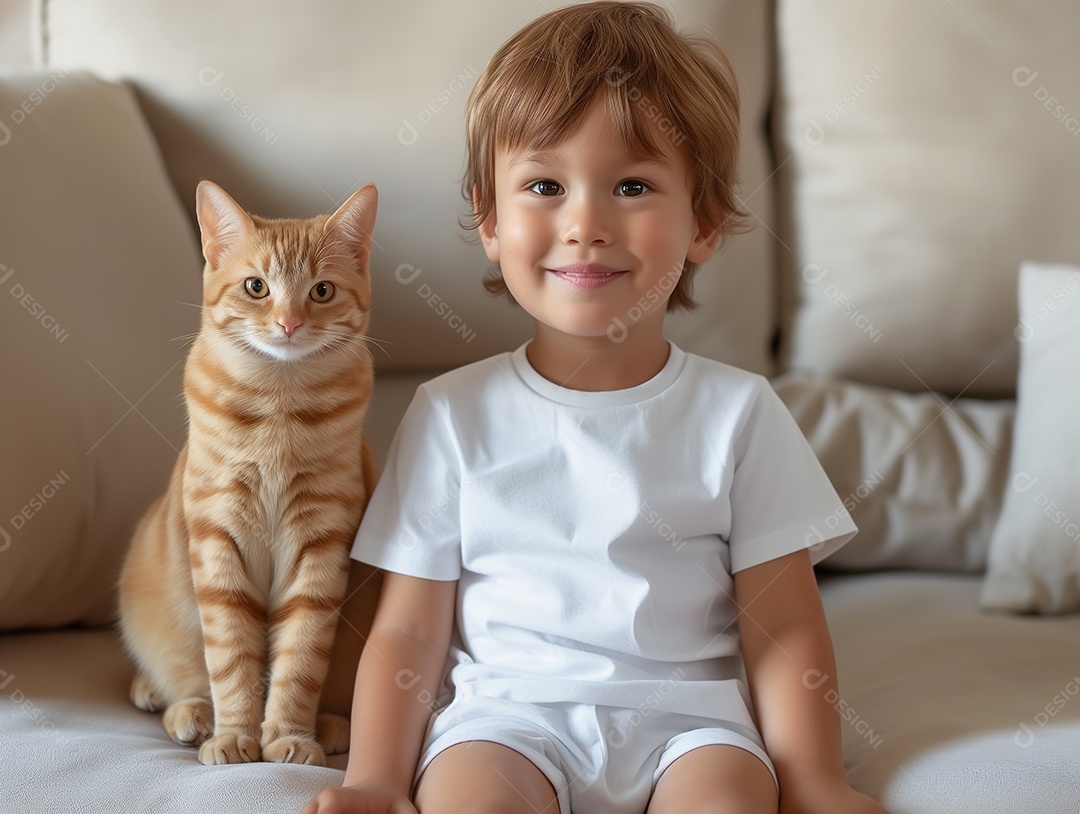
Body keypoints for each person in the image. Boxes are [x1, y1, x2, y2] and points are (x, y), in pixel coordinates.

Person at [305, 3, 889, 812]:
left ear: (704, 223)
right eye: (545, 185)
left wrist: (816, 780)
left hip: (694, 729)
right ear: (489, 219)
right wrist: (372, 778)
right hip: (505, 725)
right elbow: (407, 630)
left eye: (633, 185)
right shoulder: (449, 413)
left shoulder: (740, 413)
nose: (585, 224)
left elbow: (784, 623)